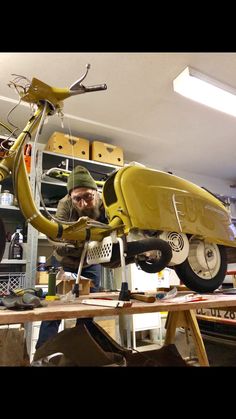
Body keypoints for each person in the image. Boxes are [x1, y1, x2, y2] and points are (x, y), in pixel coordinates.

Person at [35, 165, 107, 350]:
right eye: (77, 199)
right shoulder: (64, 204)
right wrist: (74, 242)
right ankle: (43, 353)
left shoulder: (104, 204)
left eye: (88, 197)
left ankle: (82, 350)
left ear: (96, 192)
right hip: (64, 260)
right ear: (70, 197)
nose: (83, 204)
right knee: (55, 309)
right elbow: (56, 236)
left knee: (88, 307)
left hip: (90, 261)